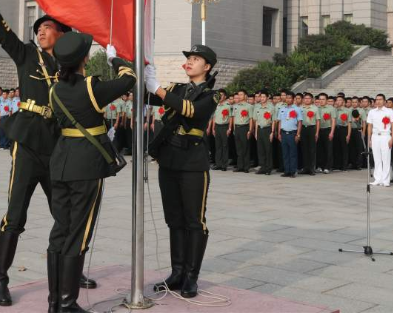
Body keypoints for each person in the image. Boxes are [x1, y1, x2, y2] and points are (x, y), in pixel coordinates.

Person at [0, 0, 96, 307]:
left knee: (66, 215)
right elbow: (1, 31)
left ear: (62, 35)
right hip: (27, 144)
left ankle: (69, 272)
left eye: (48, 27)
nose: (41, 31)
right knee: (16, 214)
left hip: (58, 147)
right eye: (39, 27)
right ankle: (0, 279)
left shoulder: (70, 67)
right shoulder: (27, 56)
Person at [46, 35, 135, 313]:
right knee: (79, 235)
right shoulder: (90, 87)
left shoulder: (54, 89)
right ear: (84, 59)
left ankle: (54, 303)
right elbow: (129, 77)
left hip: (60, 163)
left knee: (59, 232)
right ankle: (67, 303)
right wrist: (114, 59)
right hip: (86, 166)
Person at [145, 45, 219, 299]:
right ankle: (176, 273)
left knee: (194, 221)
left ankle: (191, 276)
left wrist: (158, 88)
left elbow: (191, 110)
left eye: (195, 59)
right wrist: (137, 74)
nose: (189, 62)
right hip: (169, 161)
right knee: (173, 219)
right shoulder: (176, 89)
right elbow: (148, 97)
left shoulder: (212, 94)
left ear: (207, 67)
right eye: (188, 58)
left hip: (193, 164)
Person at [366, 94, 393, 187]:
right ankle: (377, 179)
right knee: (377, 158)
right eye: (377, 99)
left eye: (380, 99)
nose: (378, 101)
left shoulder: (389, 111)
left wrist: (392, 138)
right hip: (375, 136)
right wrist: (369, 138)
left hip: (385, 136)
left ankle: (386, 180)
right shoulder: (372, 112)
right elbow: (370, 125)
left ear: (384, 101)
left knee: (386, 158)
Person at [276, 93, 302, 177]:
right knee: (285, 153)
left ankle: (293, 171)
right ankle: (287, 171)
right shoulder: (282, 109)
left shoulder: (297, 109)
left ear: (293, 99)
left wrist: (298, 134)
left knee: (293, 153)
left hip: (292, 133)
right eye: (287, 98)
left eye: (290, 98)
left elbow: (299, 122)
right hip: (283, 133)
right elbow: (280, 121)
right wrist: (279, 133)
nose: (288, 99)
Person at [230, 89, 253, 173]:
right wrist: (234, 129)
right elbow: (234, 118)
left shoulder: (249, 106)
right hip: (237, 128)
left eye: (241, 94)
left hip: (244, 128)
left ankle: (246, 167)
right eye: (238, 95)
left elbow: (251, 119)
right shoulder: (235, 106)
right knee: (239, 148)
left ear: (245, 96)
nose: (239, 96)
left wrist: (250, 130)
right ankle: (240, 166)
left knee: (245, 147)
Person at [253, 90, 274, 175]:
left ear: (267, 97)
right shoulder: (257, 107)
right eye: (261, 97)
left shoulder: (271, 107)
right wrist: (256, 132)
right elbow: (256, 120)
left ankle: (268, 168)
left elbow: (274, 121)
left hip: (267, 129)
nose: (262, 98)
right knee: (260, 149)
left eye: (264, 97)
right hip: (259, 129)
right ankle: (262, 167)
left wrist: (272, 132)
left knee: (267, 149)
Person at [299, 92, 319, 175]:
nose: (307, 100)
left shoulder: (315, 108)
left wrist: (317, 132)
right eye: (305, 98)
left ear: (312, 100)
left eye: (309, 98)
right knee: (304, 149)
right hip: (303, 129)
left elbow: (318, 121)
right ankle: (305, 168)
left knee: (312, 149)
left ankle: (312, 168)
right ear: (303, 100)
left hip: (312, 129)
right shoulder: (300, 108)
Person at [317, 93, 336, 174]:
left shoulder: (331, 108)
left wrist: (332, 132)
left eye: (323, 99)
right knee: (320, 149)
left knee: (328, 149)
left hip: (327, 130)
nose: (321, 101)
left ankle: (328, 167)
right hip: (319, 130)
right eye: (320, 99)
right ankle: (321, 166)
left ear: (326, 100)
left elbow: (333, 121)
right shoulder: (317, 108)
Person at [333, 95, 351, 171]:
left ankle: (344, 166)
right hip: (336, 129)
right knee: (337, 148)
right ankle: (338, 165)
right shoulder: (334, 110)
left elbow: (349, 123)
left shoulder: (347, 111)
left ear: (343, 101)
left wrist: (348, 135)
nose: (338, 102)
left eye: (340, 100)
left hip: (344, 129)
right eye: (337, 100)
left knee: (344, 148)